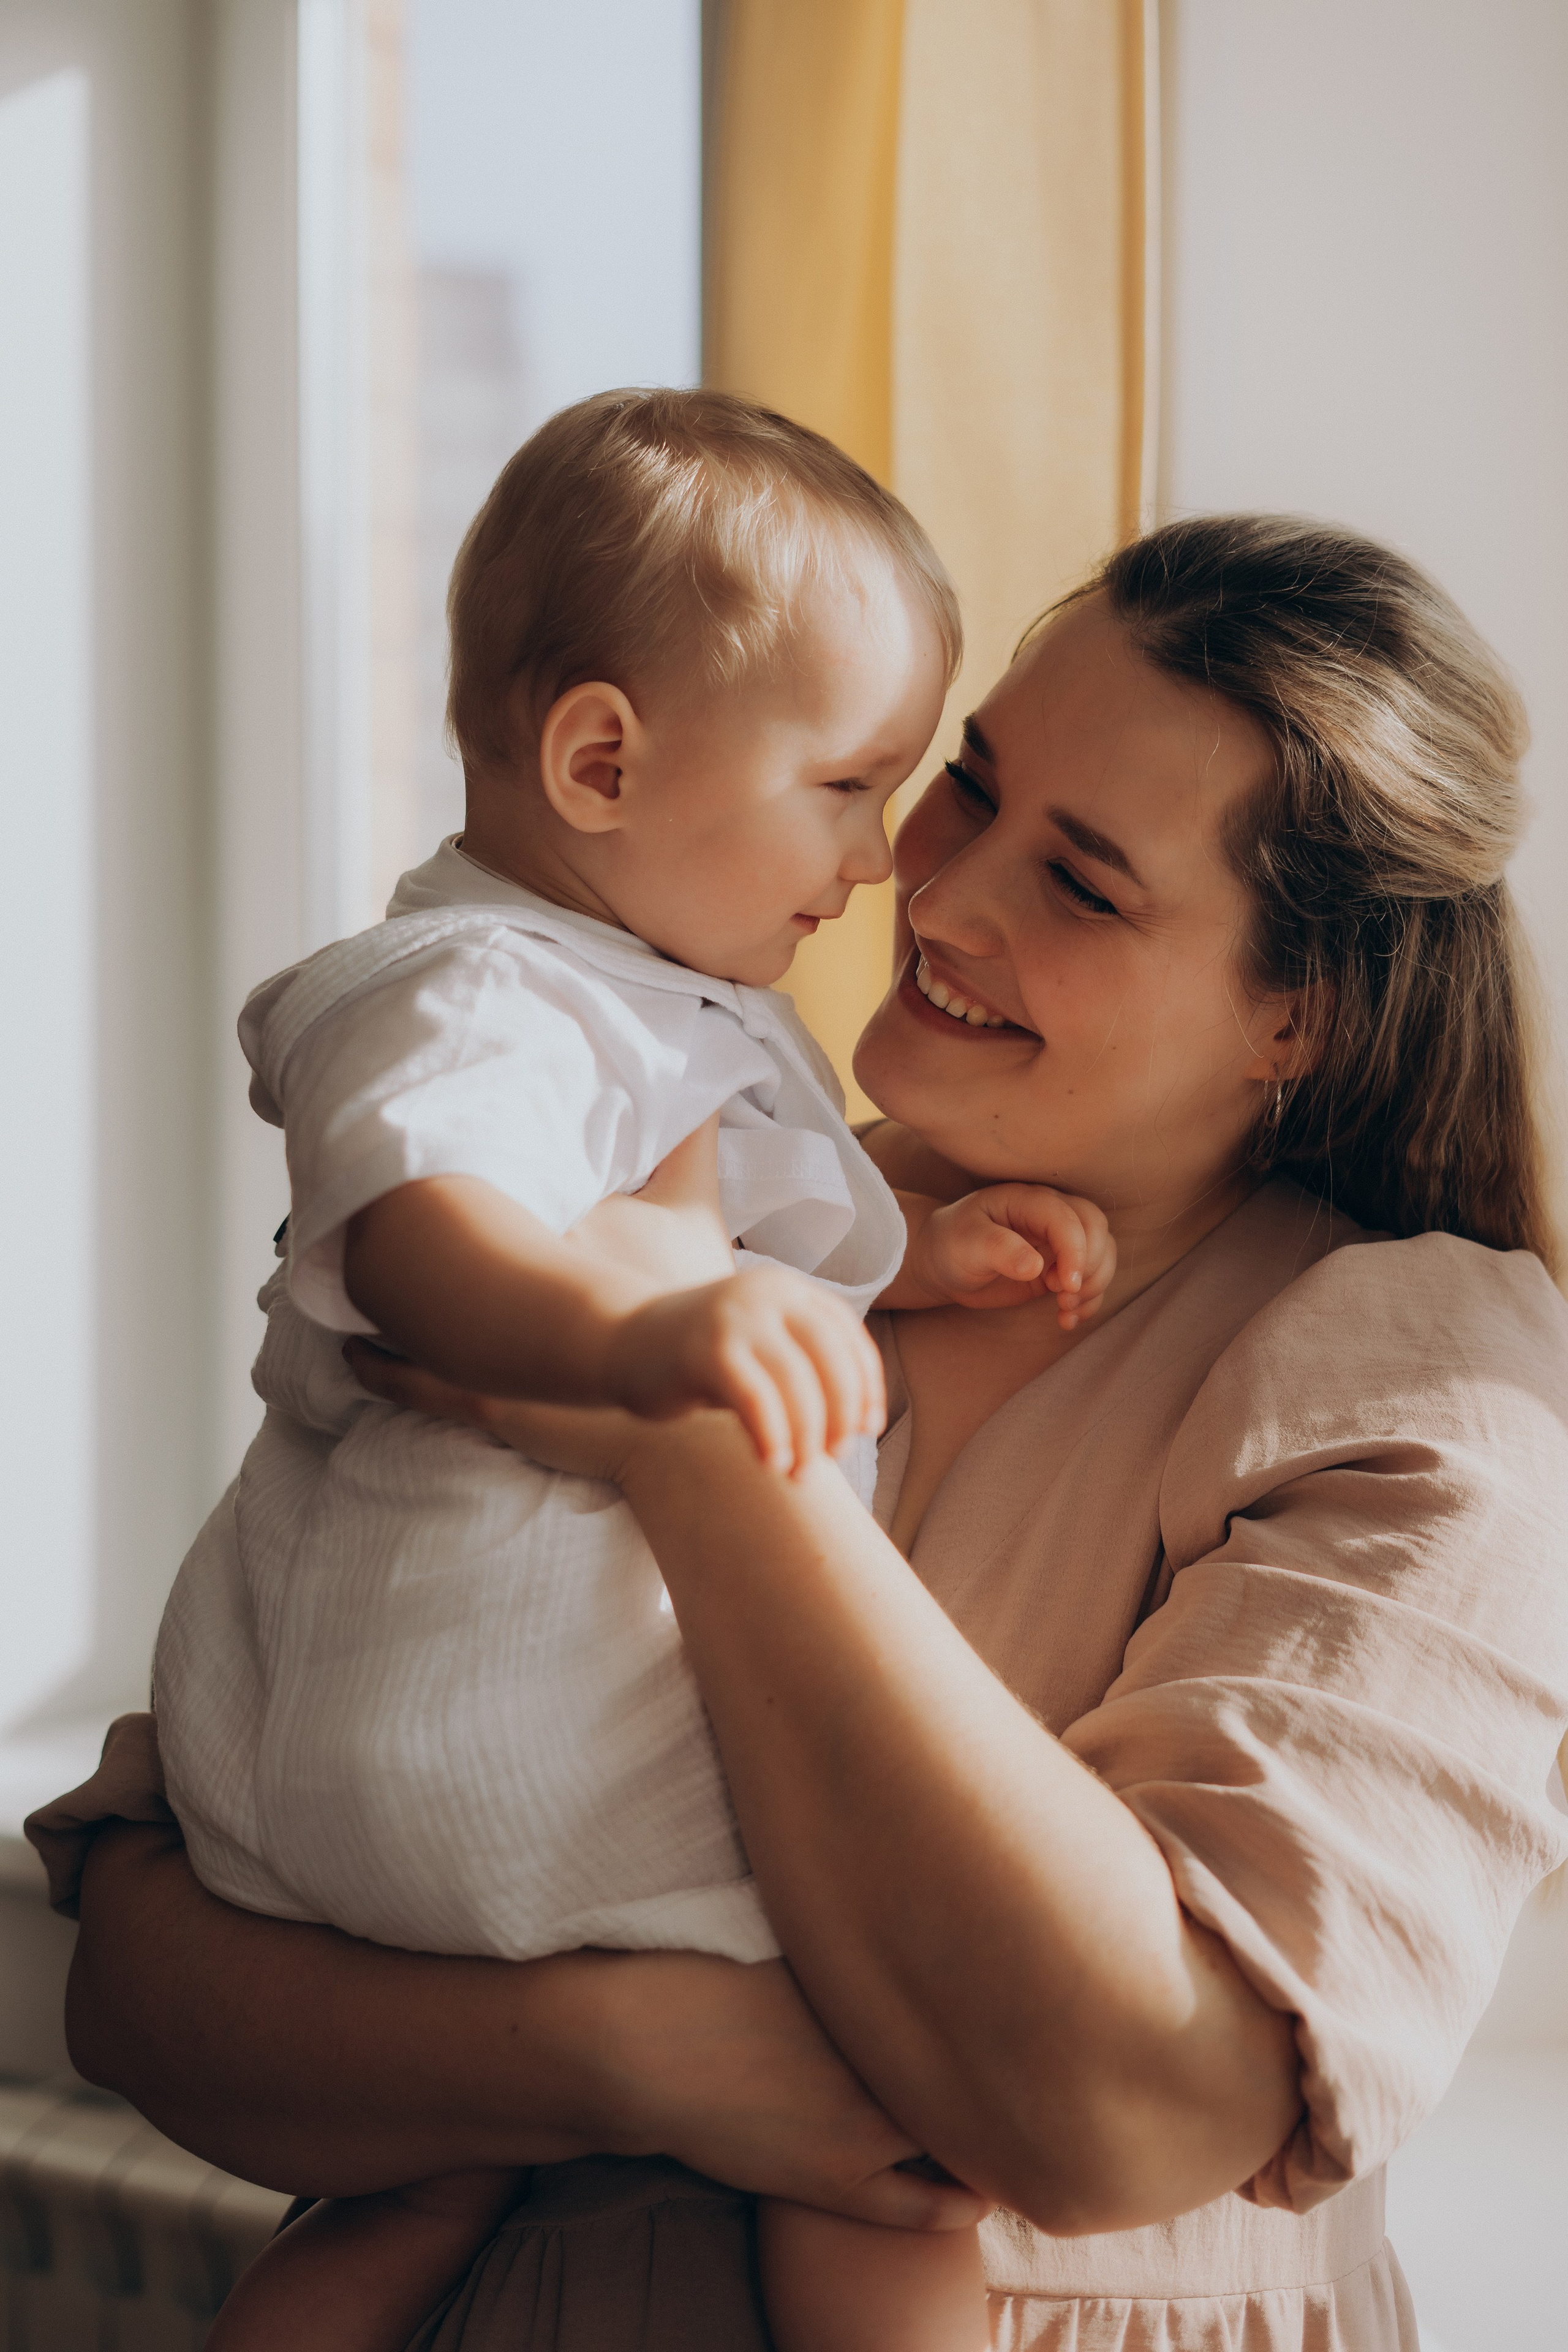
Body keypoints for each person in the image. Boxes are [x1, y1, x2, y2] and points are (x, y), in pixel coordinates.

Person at [34, 513, 1568, 2351]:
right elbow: (138, 1977)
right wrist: (621, 2057)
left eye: (1081, 884)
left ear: (1297, 1016)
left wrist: (691, 1434)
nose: (936, 897)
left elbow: (1132, 2106)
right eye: (966, 788)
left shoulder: (1427, 1370)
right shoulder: (711, 1187)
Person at [149, 390, 1118, 2352]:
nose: (878, 866)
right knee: (904, 2132)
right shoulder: (476, 990)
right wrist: (642, 1327)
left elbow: (739, 1219)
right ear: (603, 759)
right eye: (850, 788)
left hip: (342, 1798)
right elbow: (425, 1234)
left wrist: (906, 1257)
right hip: (492, 1721)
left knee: (407, 2182)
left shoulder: (645, 994)